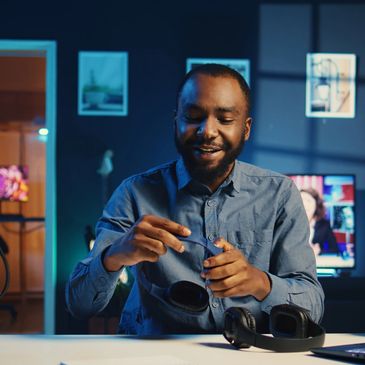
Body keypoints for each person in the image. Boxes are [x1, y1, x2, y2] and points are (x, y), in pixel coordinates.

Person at [66, 64, 324, 334]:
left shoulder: (280, 194)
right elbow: (79, 305)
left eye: (224, 119)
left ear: (245, 129)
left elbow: (313, 306)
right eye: (192, 116)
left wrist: (259, 282)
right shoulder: (134, 193)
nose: (207, 131)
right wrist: (114, 254)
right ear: (175, 121)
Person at [300, 188, 338, 256]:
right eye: (301, 201)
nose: (304, 204)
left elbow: (335, 249)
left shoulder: (324, 225)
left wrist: (319, 251)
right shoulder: (289, 224)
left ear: (316, 205)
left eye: (308, 201)